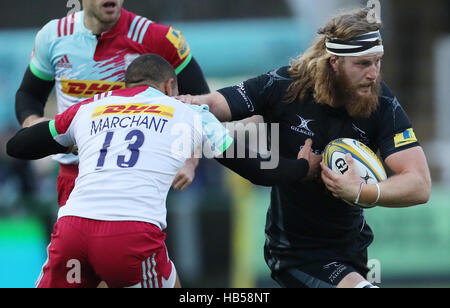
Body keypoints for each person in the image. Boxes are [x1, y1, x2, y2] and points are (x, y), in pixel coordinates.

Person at [7, 54, 321, 288]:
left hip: (72, 228)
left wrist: (73, 142)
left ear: (126, 85)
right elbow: (258, 170)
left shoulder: (90, 107)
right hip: (129, 233)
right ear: (170, 85)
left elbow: (19, 146)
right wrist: (302, 167)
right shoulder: (188, 111)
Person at [178, 8, 432, 288]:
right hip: (295, 252)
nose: (373, 75)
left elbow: (420, 184)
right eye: (362, 64)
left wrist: (361, 191)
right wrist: (184, 106)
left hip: (351, 249)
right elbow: (214, 105)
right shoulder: (285, 86)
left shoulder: (382, 103)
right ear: (334, 62)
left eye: (377, 62)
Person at [15, 0, 209, 208]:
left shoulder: (155, 37)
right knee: (72, 241)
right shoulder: (54, 36)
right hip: (74, 175)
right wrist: (34, 124)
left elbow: (202, 103)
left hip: (137, 176)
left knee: (134, 240)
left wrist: (190, 158)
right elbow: (29, 95)